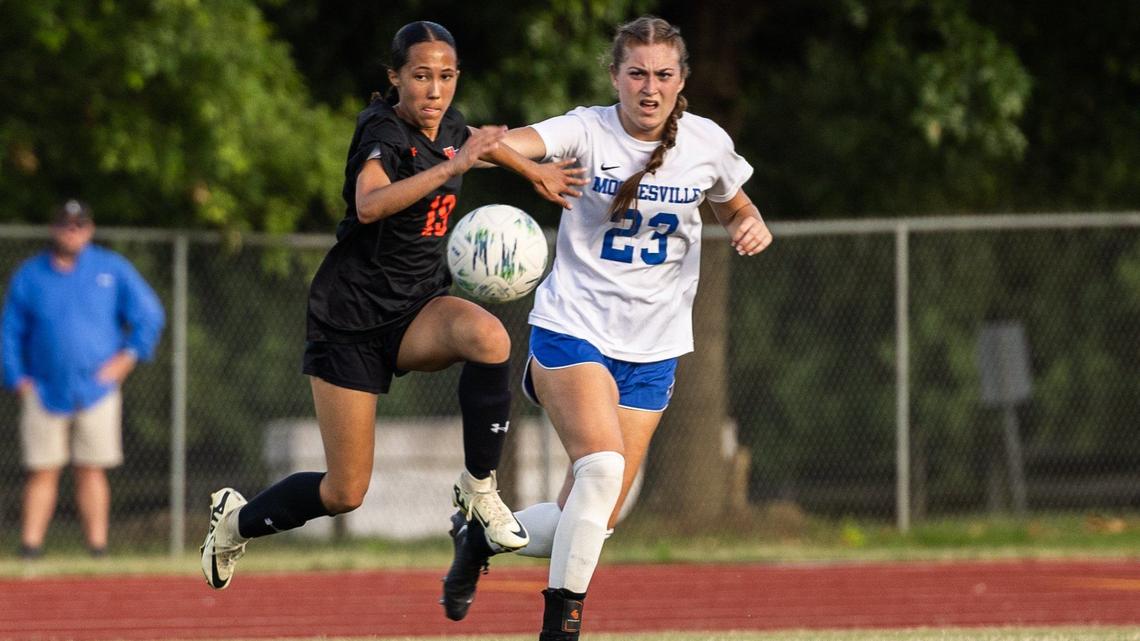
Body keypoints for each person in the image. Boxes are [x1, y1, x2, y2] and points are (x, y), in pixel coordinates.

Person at [198, 21, 586, 590]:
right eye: (421, 76)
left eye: (446, 77)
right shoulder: (381, 131)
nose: (435, 90)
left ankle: (480, 489)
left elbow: (478, 141)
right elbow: (371, 204)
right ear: (395, 78)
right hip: (349, 322)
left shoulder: (449, 126)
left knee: (489, 338)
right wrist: (453, 168)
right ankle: (235, 523)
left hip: (417, 308)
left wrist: (535, 172)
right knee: (345, 491)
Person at [439, 16, 773, 640]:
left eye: (664, 75)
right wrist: (529, 168)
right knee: (601, 470)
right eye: (638, 73)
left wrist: (750, 221)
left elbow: (734, 200)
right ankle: (561, 627)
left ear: (681, 82)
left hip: (656, 347)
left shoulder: (705, 142)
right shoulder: (585, 130)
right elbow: (492, 142)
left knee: (591, 514)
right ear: (615, 76)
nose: (650, 87)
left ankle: (483, 533)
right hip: (574, 327)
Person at [1, 198, 166, 559]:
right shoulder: (30, 275)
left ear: (88, 230)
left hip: (97, 389)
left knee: (91, 468)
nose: (71, 232)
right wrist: (16, 377)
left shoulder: (111, 268)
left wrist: (127, 358)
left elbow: (149, 314)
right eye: (65, 225)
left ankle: (97, 548)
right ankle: (30, 548)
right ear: (53, 229)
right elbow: (9, 331)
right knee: (41, 469)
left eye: (79, 225)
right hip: (43, 388)